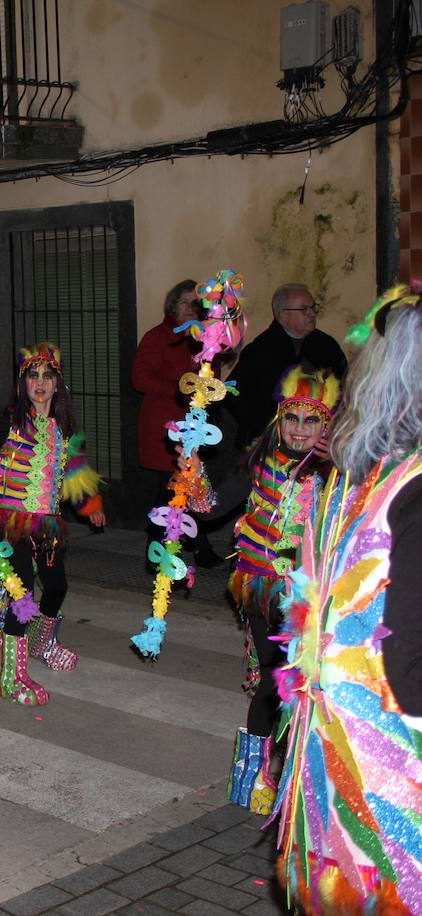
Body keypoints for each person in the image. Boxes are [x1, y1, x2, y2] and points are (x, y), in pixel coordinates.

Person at [275, 286, 422, 914]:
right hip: (389, 760)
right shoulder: (404, 486)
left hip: (343, 742)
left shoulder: (367, 475)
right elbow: (408, 658)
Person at [224, 366, 337, 815]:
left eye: (312, 421)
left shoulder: (336, 474)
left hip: (308, 594)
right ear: (279, 420)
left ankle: (297, 772)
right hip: (260, 586)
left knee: (305, 683)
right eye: (292, 418)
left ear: (326, 428)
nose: (300, 429)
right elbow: (215, 505)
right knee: (274, 678)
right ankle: (253, 778)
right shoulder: (258, 463)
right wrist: (192, 486)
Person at [0, 343, 105, 705]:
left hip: (47, 524)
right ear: (23, 383)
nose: (41, 383)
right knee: (22, 595)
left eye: (48, 376)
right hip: (11, 522)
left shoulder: (65, 426)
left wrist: (90, 504)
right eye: (33, 375)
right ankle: (12, 678)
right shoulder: (11, 421)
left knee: (57, 586)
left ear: (58, 384)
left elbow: (74, 470)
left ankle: (41, 644)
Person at [132, 280, 221, 566]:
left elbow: (213, 375)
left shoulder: (205, 338)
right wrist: (180, 390)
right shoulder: (158, 337)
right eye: (184, 301)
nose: (190, 308)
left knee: (190, 483)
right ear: (173, 305)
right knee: (169, 486)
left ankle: (186, 546)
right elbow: (140, 378)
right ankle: (166, 547)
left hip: (195, 426)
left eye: (196, 303)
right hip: (165, 428)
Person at [230, 284, 347, 449]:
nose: (312, 313)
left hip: (319, 439)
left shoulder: (327, 345)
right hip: (269, 441)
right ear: (283, 314)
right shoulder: (259, 350)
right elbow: (238, 398)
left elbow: (345, 387)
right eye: (304, 309)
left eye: (313, 307)